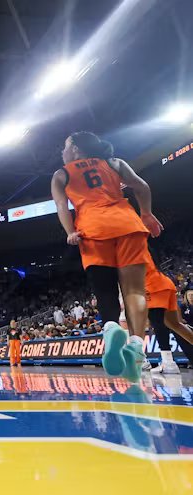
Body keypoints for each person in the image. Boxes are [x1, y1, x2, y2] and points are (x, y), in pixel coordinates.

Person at [51, 131, 163, 382]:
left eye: (66, 146)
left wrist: (70, 232)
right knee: (134, 291)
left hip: (92, 229)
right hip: (127, 224)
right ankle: (136, 346)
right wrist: (146, 213)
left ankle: (111, 327)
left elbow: (61, 206)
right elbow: (142, 187)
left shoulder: (62, 174)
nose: (62, 151)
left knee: (105, 290)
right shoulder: (114, 162)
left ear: (77, 150)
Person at [145, 259, 193, 374]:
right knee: (174, 324)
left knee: (158, 322)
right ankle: (168, 362)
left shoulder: (128, 248)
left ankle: (168, 362)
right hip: (165, 283)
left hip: (152, 285)